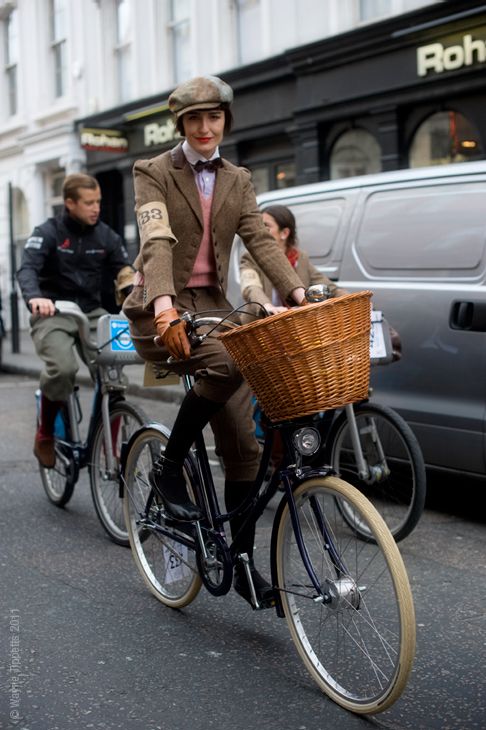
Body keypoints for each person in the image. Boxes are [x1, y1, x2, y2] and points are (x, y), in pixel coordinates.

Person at [122, 75, 306, 607]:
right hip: (161, 308)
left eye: (214, 118)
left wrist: (297, 293)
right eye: (194, 120)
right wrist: (163, 309)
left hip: (215, 309)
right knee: (231, 364)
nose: (205, 128)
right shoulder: (151, 171)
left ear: (226, 119)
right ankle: (169, 466)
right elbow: (156, 240)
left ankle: (243, 564)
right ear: (180, 124)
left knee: (245, 448)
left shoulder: (238, 178)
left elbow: (259, 239)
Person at [17, 173, 134, 469]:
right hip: (53, 311)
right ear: (69, 203)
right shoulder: (47, 232)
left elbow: (124, 271)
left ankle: (108, 446)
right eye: (89, 203)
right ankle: (45, 433)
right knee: (62, 369)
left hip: (92, 312)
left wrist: (137, 296)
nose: (96, 208)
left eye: (98, 202)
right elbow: (27, 269)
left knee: (115, 375)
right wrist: (35, 298)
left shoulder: (106, 235)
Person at [240, 204, 347, 317]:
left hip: (295, 327)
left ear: (284, 233)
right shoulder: (250, 258)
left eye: (266, 226)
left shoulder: (300, 258)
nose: (260, 231)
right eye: (259, 226)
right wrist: (266, 306)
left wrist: (347, 297)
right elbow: (251, 286)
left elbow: (328, 287)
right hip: (261, 326)